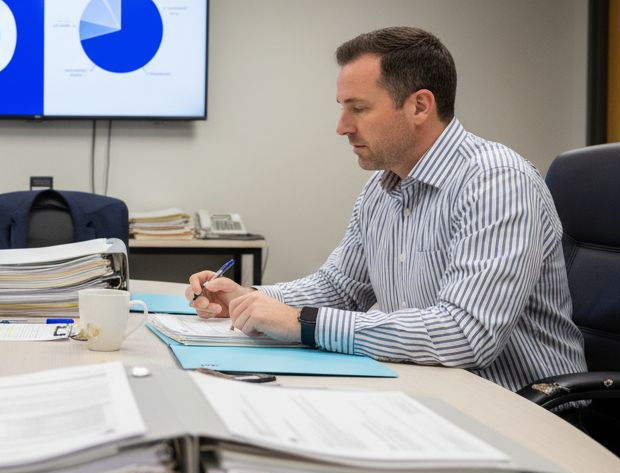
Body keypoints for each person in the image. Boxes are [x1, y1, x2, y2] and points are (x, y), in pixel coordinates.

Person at [188, 26, 586, 391]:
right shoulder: (382, 188)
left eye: (358, 109)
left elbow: (466, 334)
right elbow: (340, 288)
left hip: (523, 410)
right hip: (431, 392)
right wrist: (250, 299)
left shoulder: (497, 182)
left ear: (419, 106)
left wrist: (301, 323)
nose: (342, 126)